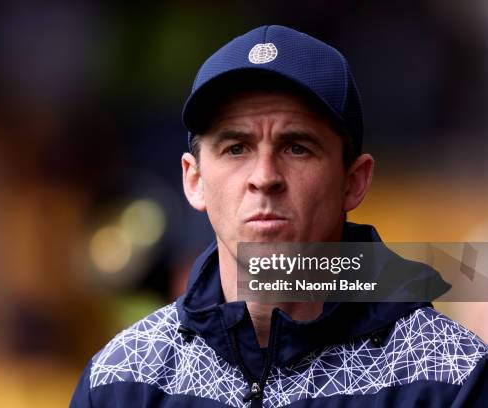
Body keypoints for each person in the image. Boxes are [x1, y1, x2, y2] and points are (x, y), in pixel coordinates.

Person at [70, 25, 487, 407]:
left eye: (296, 147)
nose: (264, 178)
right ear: (193, 180)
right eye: (236, 148)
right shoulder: (121, 382)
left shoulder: (450, 378)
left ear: (354, 182)